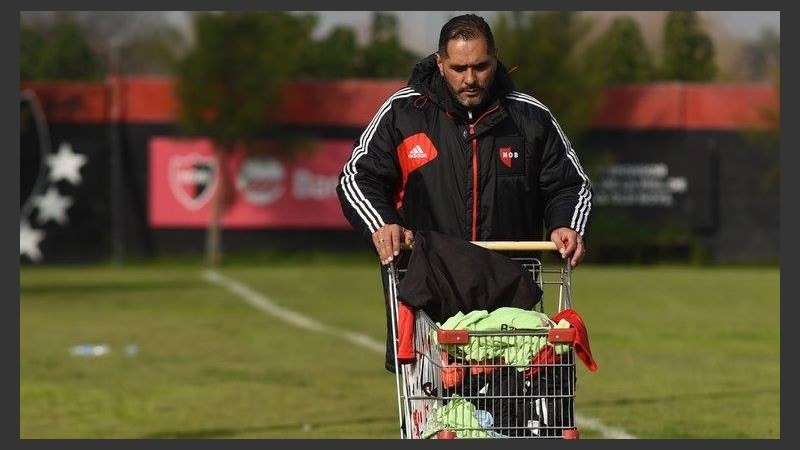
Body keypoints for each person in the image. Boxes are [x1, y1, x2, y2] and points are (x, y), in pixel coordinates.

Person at [336, 13, 593, 371]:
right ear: (440, 63)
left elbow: (570, 184)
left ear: (495, 58)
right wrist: (383, 224)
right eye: (458, 68)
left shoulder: (530, 117)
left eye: (480, 66)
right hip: (426, 289)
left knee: (506, 417)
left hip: (507, 293)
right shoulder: (403, 113)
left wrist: (565, 223)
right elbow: (356, 177)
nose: (470, 79)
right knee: (432, 421)